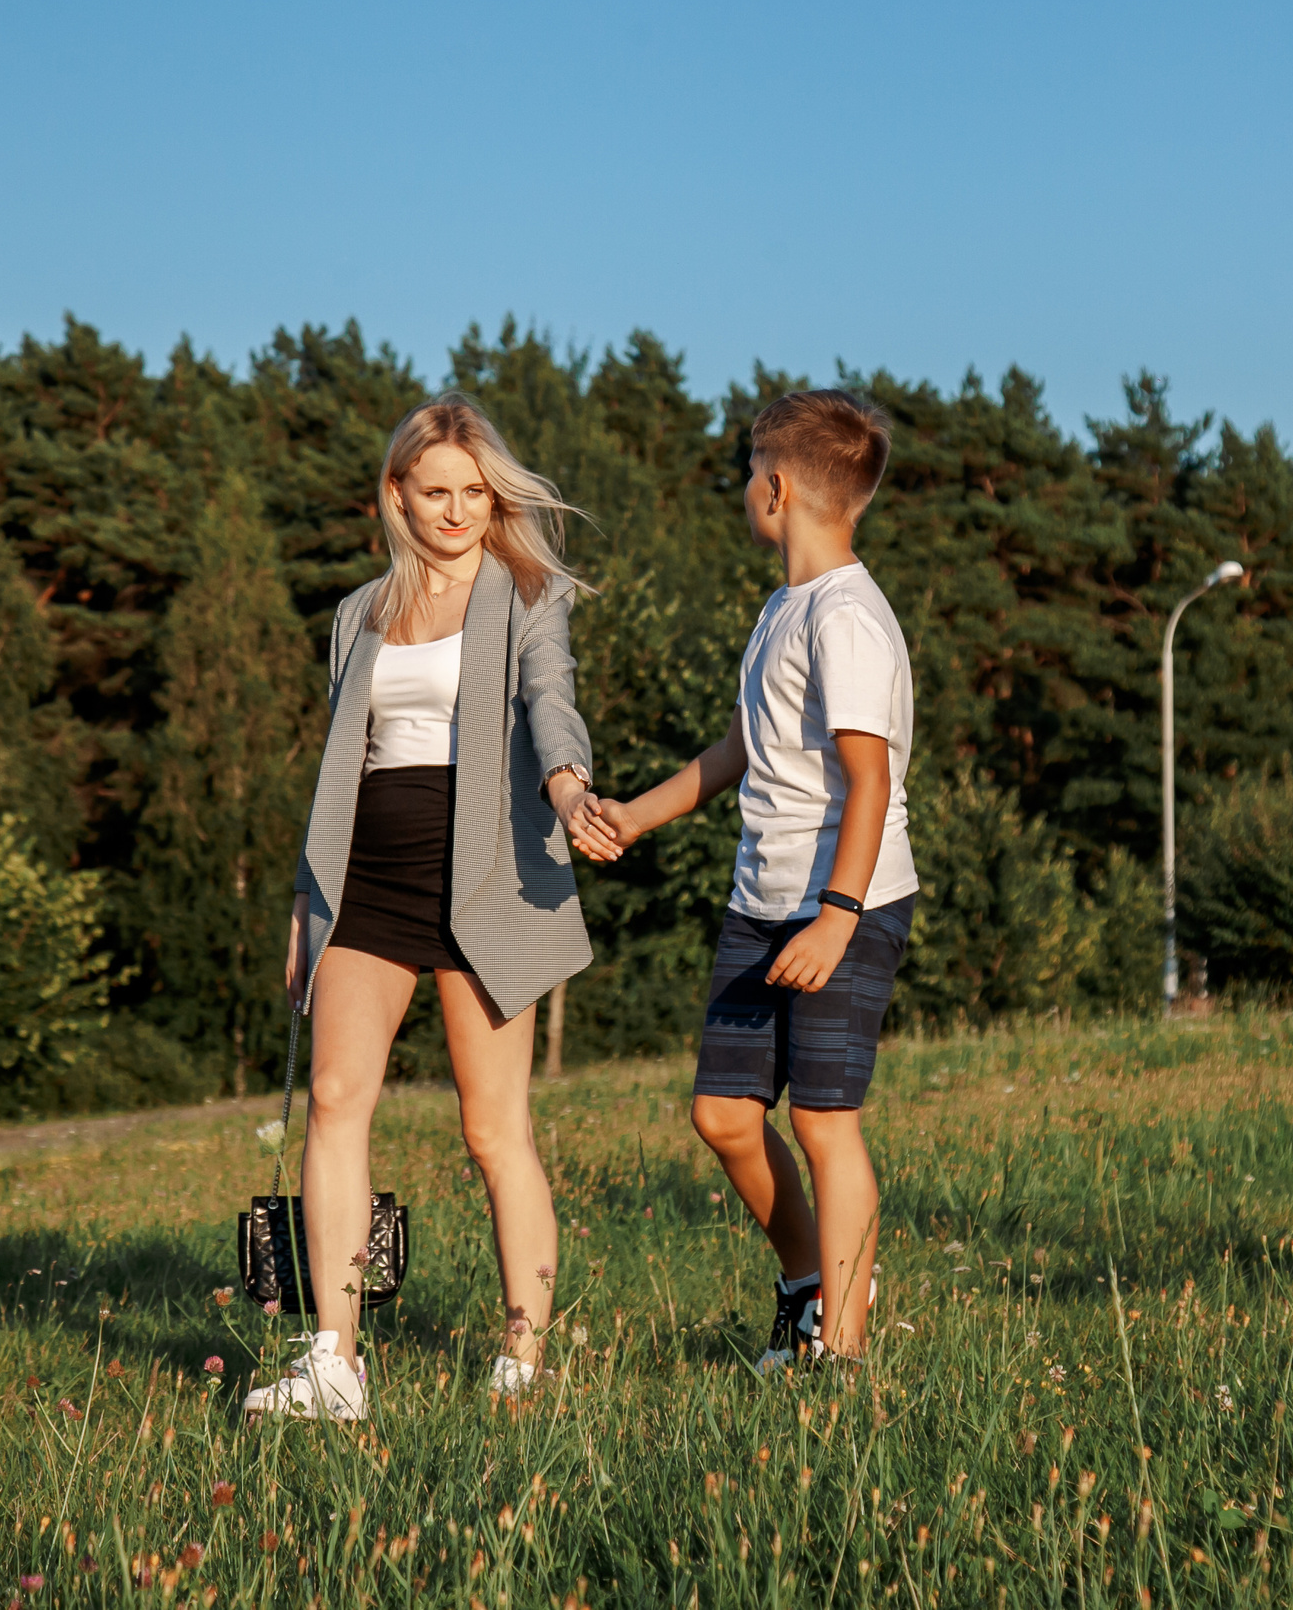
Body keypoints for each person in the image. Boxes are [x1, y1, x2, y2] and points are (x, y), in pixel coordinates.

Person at [246, 393, 621, 1421]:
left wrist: (570, 785)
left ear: (491, 496)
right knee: (333, 1102)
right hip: (365, 872)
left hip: (490, 871)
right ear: (397, 494)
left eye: (472, 492)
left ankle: (522, 1359)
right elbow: (338, 763)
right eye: (434, 491)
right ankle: (334, 1363)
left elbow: (551, 699)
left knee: (492, 1129)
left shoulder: (527, 590)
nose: (455, 510)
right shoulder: (358, 612)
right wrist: (301, 907)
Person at [592, 389, 917, 1369]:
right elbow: (745, 746)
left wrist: (836, 917)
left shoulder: (849, 618)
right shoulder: (785, 607)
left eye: (747, 473)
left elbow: (870, 780)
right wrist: (633, 816)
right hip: (760, 901)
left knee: (824, 1121)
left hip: (839, 906)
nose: (744, 489)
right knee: (725, 1117)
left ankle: (843, 1351)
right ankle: (809, 1281)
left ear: (775, 489)